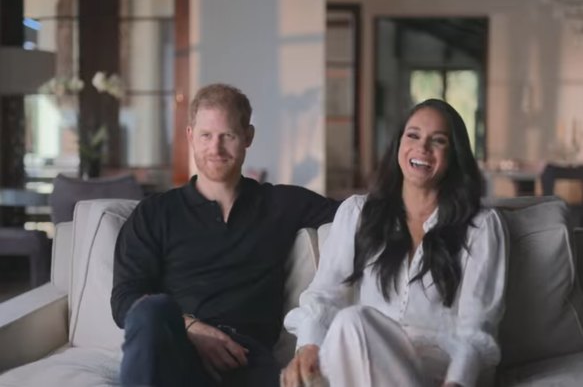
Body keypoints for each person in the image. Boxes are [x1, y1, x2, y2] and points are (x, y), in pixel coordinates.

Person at [111, 83, 339, 387]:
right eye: (206, 136)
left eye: (227, 136)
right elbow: (125, 300)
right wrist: (193, 329)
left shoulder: (281, 205)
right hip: (178, 351)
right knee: (152, 310)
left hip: (246, 360)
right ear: (191, 136)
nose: (215, 149)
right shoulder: (155, 213)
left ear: (248, 137)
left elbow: (365, 213)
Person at [281, 99, 507, 387]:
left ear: (454, 155)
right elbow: (326, 295)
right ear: (398, 144)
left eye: (437, 141)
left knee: (352, 322)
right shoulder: (357, 214)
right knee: (349, 325)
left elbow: (477, 327)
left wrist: (457, 382)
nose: (422, 148)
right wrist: (309, 346)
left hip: (436, 368)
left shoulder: (481, 226)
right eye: (413, 135)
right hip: (363, 356)